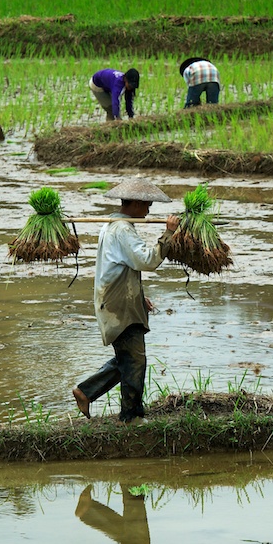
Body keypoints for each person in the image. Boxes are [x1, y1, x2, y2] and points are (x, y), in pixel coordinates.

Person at [73, 178, 180, 423]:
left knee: (128, 359)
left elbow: (121, 268)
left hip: (118, 300)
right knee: (134, 360)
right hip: (118, 306)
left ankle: (86, 392)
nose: (149, 210)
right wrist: (169, 233)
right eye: (146, 205)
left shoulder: (115, 225)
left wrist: (139, 298)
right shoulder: (121, 229)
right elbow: (147, 261)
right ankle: (131, 417)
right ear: (133, 204)